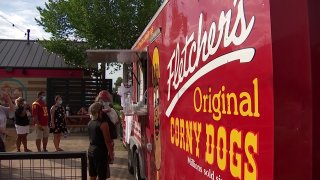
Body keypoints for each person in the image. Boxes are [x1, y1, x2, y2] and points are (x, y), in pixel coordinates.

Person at [87, 102, 114, 180]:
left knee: (92, 175)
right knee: (102, 176)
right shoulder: (103, 124)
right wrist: (111, 155)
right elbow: (108, 141)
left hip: (91, 151)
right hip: (100, 152)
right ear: (100, 111)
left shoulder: (90, 123)